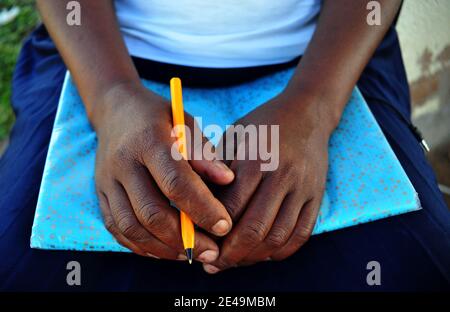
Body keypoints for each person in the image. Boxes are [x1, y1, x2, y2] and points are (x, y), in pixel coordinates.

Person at [0, 0, 449, 291]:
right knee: (21, 271)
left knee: (416, 266)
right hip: (104, 56)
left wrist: (314, 106)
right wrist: (110, 99)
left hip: (324, 59)